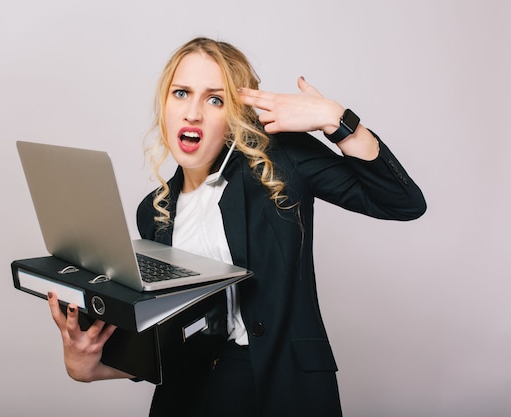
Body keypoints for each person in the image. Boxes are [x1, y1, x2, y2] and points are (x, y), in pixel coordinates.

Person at [47, 37, 426, 417]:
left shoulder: (280, 163)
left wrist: (336, 119)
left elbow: (402, 201)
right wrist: (92, 367)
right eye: (181, 93)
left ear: (236, 115)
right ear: (164, 104)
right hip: (189, 395)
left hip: (283, 388)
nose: (192, 113)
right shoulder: (154, 211)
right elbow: (170, 340)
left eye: (215, 99)